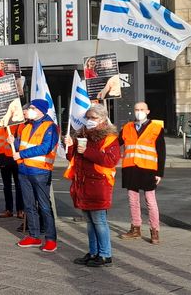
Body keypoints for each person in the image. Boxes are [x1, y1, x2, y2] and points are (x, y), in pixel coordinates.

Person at [64, 103, 121, 267]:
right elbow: (72, 158)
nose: (89, 121)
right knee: (89, 221)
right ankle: (94, 251)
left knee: (99, 221)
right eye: (88, 117)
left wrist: (86, 151)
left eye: (93, 118)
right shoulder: (82, 134)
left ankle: (105, 254)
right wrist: (69, 145)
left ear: (103, 119)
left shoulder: (110, 137)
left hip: (99, 184)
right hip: (83, 182)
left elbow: (111, 160)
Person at [10, 99, 59, 252]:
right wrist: (14, 142)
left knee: (44, 206)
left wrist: (21, 153)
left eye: (32, 108)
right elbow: (22, 144)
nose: (29, 110)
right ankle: (34, 236)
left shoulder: (51, 127)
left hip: (40, 171)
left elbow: (45, 148)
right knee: (29, 205)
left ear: (40, 111)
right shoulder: (27, 126)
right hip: (24, 171)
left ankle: (51, 239)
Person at [119, 102, 166, 245]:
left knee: (150, 201)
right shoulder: (127, 127)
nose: (139, 112)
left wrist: (159, 173)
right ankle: (135, 229)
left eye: (142, 109)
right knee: (132, 200)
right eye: (136, 109)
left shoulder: (156, 128)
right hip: (130, 167)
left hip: (148, 169)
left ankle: (155, 231)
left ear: (148, 111)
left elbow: (161, 152)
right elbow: (116, 143)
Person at [0, 125, 24, 219]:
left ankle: (20, 210)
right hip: (3, 158)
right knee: (6, 186)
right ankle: (8, 209)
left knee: (19, 186)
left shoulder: (18, 125)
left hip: (16, 158)